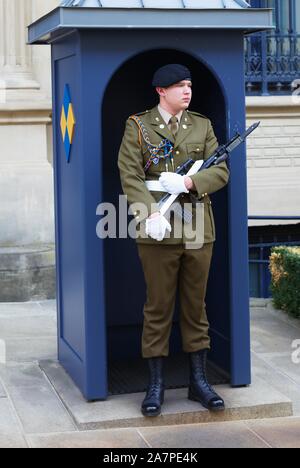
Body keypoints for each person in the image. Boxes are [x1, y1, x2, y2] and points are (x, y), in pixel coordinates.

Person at [118, 64, 229, 417]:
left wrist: (189, 184)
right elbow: (130, 174)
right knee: (159, 307)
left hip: (197, 226)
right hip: (158, 227)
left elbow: (220, 169)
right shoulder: (138, 126)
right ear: (160, 91)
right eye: (179, 86)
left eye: (189, 85)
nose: (187, 91)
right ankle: (156, 385)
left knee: (196, 307)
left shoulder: (202, 124)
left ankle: (198, 381)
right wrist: (148, 214)